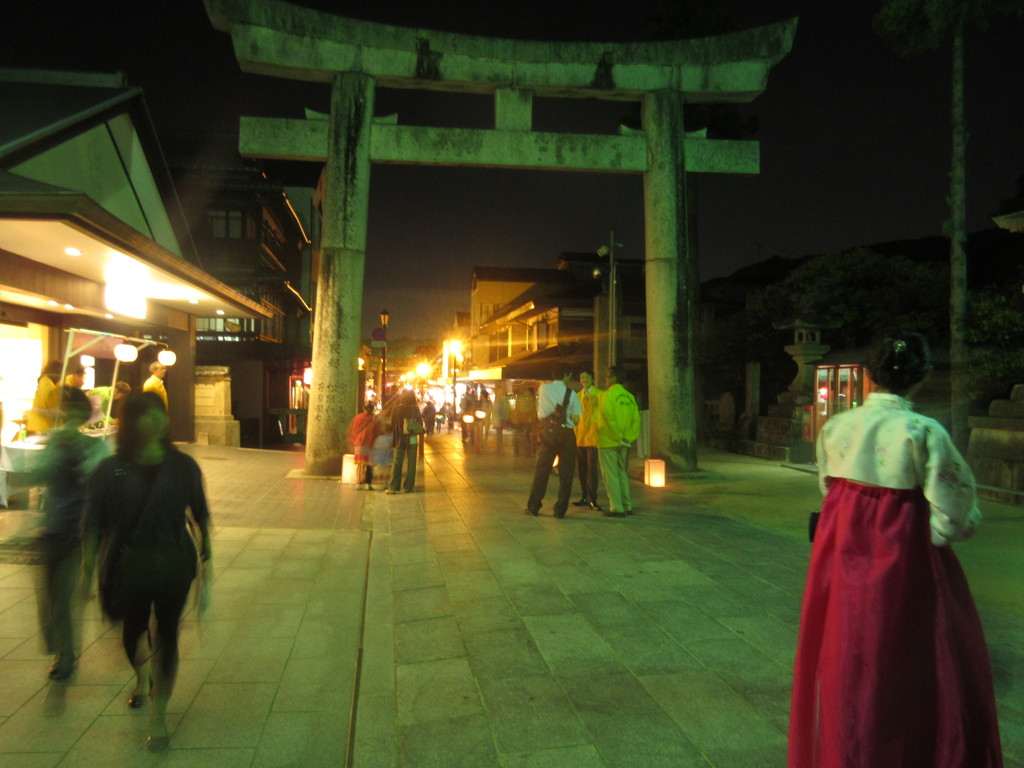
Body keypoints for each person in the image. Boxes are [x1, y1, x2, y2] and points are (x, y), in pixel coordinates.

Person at [788, 331, 1003, 768]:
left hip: (843, 559)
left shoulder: (836, 427)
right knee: (916, 662)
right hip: (905, 561)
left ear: (868, 373)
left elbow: (830, 487)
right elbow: (954, 511)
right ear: (921, 376)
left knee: (849, 660)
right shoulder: (923, 432)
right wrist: (939, 532)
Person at [82, 392, 211, 752]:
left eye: (159, 414)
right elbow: (91, 523)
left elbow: (200, 514)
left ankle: (160, 713)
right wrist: (87, 570)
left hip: (173, 563)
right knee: (132, 632)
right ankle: (142, 677)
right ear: (129, 422)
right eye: (144, 415)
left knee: (167, 635)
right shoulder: (110, 470)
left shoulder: (183, 466)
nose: (154, 421)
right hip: (128, 566)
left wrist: (206, 563)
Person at [33, 387, 109, 680]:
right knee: (51, 596)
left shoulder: (95, 446)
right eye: (68, 409)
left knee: (65, 595)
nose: (71, 415)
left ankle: (66, 655)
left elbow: (98, 480)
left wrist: (75, 451)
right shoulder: (55, 442)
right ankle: (60, 649)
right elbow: (40, 474)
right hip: (52, 526)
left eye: (78, 409)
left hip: (78, 531)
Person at [524, 363, 582, 518]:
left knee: (541, 471)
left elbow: (540, 411)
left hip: (548, 434)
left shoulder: (543, 389)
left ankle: (534, 506)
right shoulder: (573, 394)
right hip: (567, 435)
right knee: (566, 474)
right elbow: (576, 420)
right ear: (567, 376)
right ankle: (560, 510)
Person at [596, 366, 640, 518]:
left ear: (613, 378)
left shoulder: (606, 396)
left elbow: (608, 418)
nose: (606, 379)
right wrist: (627, 438)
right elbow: (636, 420)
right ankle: (627, 505)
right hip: (624, 442)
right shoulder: (630, 397)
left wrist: (617, 436)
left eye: (607, 377)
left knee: (610, 474)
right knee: (622, 472)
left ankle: (617, 508)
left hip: (608, 440)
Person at [572, 369, 603, 511]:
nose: (584, 380)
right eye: (582, 377)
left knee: (592, 470)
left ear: (592, 379)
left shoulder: (600, 395)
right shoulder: (577, 396)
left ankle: (592, 498)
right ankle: (584, 496)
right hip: (579, 437)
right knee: (582, 469)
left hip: (593, 437)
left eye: (587, 377)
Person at [387, 390, 423, 494]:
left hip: (400, 438)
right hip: (412, 438)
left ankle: (393, 487)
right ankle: (408, 487)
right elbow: (420, 423)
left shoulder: (396, 408)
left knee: (397, 462)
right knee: (412, 463)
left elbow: (392, 423)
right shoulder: (415, 409)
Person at [347, 402, 381, 490]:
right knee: (369, 465)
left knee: (360, 464)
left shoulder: (358, 418)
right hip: (370, 444)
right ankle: (367, 484)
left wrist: (355, 440)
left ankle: (358, 482)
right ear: (373, 409)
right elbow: (377, 431)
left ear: (363, 408)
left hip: (359, 444)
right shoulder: (374, 419)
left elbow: (354, 431)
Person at [27, 360, 62, 434]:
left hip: (38, 426)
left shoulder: (45, 382)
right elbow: (53, 407)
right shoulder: (48, 385)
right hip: (42, 428)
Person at [512, 386, 538, 457]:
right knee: (527, 436)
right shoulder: (531, 398)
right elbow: (533, 409)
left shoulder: (521, 397)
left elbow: (517, 408)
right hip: (527, 419)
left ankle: (519, 451)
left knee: (521, 435)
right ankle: (527, 451)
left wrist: (517, 417)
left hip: (523, 419)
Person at [492, 383, 511, 455]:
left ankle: (501, 450)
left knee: (499, 436)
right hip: (501, 419)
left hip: (498, 420)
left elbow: (497, 411)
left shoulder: (498, 401)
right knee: (499, 435)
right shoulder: (504, 401)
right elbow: (506, 411)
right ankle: (498, 449)